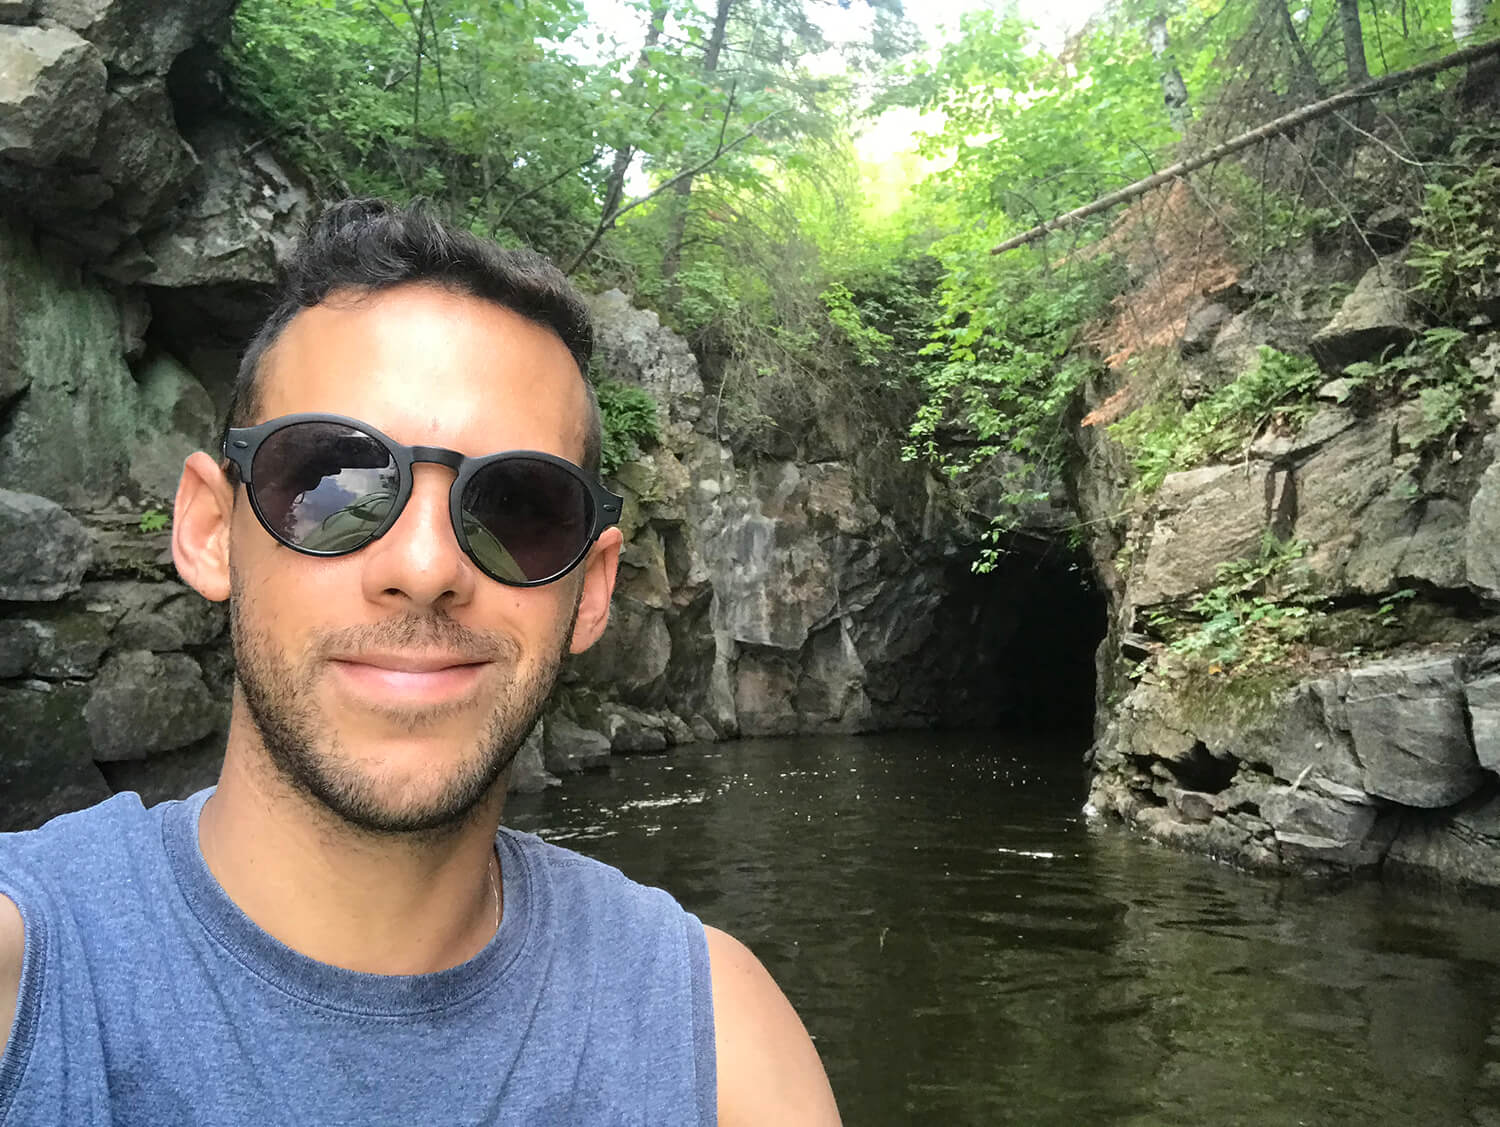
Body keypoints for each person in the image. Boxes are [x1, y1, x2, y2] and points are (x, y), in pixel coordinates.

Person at [0, 200, 841, 1125]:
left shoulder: (719, 1044)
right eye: (333, 484)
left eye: (517, 507)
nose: (427, 566)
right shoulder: (25, 975)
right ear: (209, 531)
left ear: (593, 588)